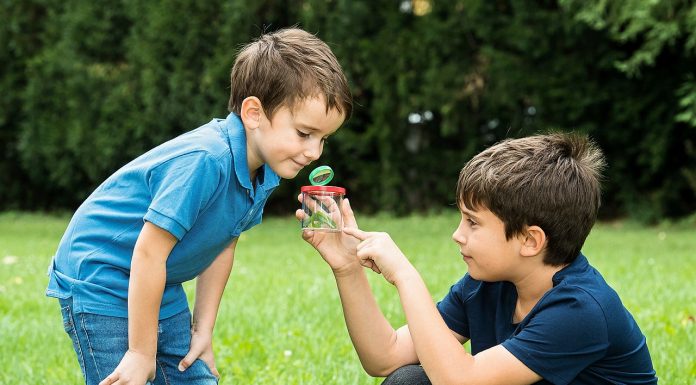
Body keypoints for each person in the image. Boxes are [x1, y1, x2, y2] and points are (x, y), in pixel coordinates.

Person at [46, 27, 352, 385]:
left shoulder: (264, 171)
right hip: (102, 277)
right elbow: (147, 252)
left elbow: (222, 243)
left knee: (194, 377)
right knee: (130, 377)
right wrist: (141, 353)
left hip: (156, 282)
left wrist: (203, 330)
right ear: (254, 113)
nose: (315, 152)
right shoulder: (206, 160)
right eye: (304, 133)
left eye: (323, 139)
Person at [298, 133, 657, 385]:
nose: (458, 233)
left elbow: (459, 380)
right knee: (410, 380)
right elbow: (385, 358)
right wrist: (347, 268)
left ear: (530, 240)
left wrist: (405, 275)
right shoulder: (486, 285)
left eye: (472, 222)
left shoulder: (581, 309)